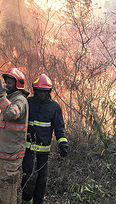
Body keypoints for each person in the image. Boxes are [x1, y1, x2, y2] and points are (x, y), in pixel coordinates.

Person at [21, 74, 68, 204]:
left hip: (44, 153)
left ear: (49, 92)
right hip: (28, 151)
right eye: (39, 91)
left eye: (45, 91)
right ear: (35, 90)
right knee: (31, 178)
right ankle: (26, 201)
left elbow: (59, 128)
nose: (42, 94)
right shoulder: (28, 103)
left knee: (41, 182)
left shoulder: (55, 107)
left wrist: (63, 144)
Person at [0, 68, 29, 204]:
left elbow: (12, 113)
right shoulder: (12, 98)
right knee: (10, 186)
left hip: (12, 153)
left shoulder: (20, 100)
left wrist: (1, 96)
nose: (6, 84)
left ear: (18, 83)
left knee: (5, 185)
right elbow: (8, 116)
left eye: (10, 82)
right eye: (5, 81)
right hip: (8, 152)